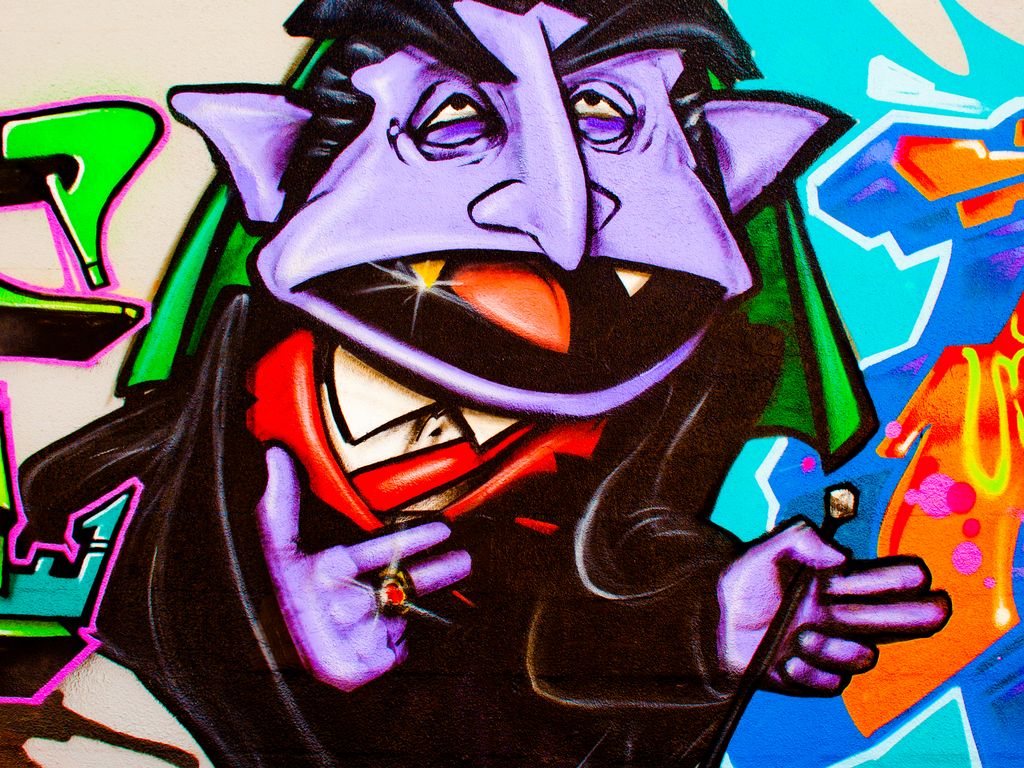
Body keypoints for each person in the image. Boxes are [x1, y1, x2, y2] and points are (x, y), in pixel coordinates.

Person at [9, 1, 950, 765]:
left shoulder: (628, 491)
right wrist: (252, 636)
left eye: (604, 118)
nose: (557, 219)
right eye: (453, 119)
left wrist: (696, 637)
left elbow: (573, 621)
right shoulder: (124, 488)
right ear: (279, 165)